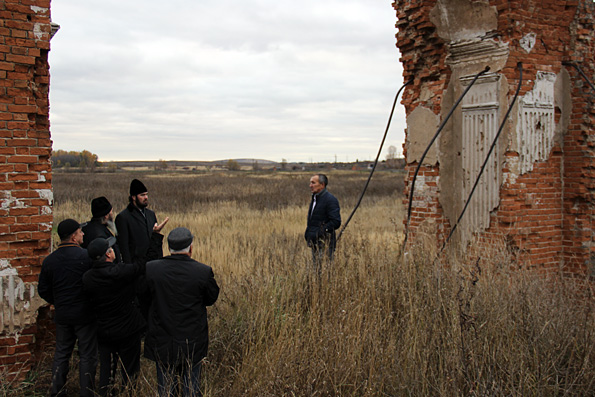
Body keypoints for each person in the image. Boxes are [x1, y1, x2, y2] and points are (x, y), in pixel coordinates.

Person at [144, 227, 220, 397]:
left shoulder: (152, 269)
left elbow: (144, 297)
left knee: (165, 388)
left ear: (169, 248)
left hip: (162, 339)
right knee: (191, 388)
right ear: (191, 248)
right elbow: (210, 299)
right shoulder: (202, 272)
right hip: (192, 341)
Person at [82, 235, 160, 396]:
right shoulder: (120, 272)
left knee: (107, 368)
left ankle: (105, 392)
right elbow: (143, 264)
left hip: (103, 330)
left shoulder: (87, 278)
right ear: (109, 254)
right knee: (130, 369)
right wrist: (153, 239)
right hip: (128, 330)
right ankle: (129, 393)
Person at [38, 219, 97, 397]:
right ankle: (86, 393)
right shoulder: (86, 257)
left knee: (62, 353)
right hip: (85, 314)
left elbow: (43, 290)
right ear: (73, 237)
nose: (83, 235)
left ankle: (57, 392)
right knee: (87, 355)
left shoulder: (50, 261)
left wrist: (58, 300)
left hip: (63, 314)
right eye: (80, 232)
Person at [115, 178, 169, 264]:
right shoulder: (123, 217)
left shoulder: (151, 214)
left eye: (146, 194)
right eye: (142, 195)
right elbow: (124, 247)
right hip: (136, 267)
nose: (146, 197)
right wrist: (129, 269)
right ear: (133, 197)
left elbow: (155, 242)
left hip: (153, 264)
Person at [304, 174, 342, 265]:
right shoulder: (315, 198)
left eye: (313, 183)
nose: (310, 185)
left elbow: (336, 222)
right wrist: (309, 234)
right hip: (314, 242)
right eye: (310, 183)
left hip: (325, 243)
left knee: (325, 272)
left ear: (322, 185)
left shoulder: (330, 200)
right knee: (316, 271)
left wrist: (321, 232)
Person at [82, 196, 121, 263]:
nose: (112, 214)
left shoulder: (85, 228)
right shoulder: (100, 235)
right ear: (106, 215)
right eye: (111, 211)